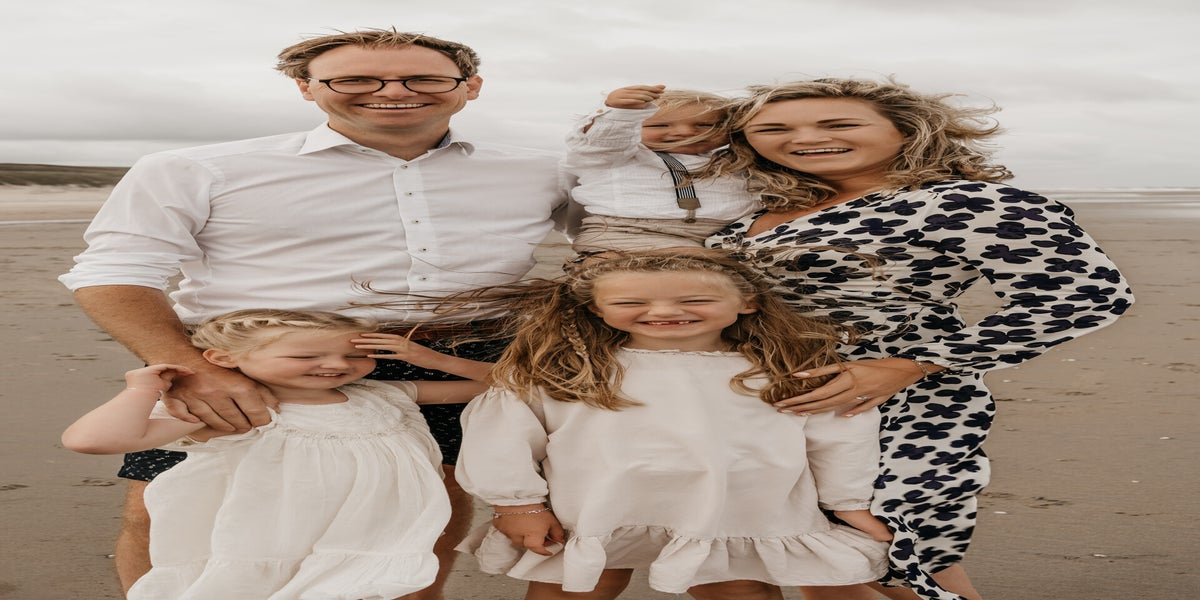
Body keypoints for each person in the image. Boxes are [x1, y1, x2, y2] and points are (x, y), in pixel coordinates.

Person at [57, 28, 571, 598]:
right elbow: (112, 273)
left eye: (422, 78)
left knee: (422, 511)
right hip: (255, 357)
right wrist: (191, 366)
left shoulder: (546, 172)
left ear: (469, 86)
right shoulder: (194, 168)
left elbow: (622, 246)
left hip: (461, 355)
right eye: (356, 79)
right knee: (171, 504)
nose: (393, 91)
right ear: (306, 86)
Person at [702, 78, 1135, 600]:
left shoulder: (961, 202)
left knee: (892, 555)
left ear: (908, 130)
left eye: (838, 124)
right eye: (774, 128)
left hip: (892, 402)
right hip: (756, 401)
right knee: (809, 556)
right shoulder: (751, 207)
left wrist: (910, 365)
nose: (805, 138)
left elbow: (1085, 294)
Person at [449, 249, 893, 600]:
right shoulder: (568, 369)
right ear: (596, 309)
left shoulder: (786, 369)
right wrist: (518, 505)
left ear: (747, 302)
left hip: (737, 510)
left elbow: (839, 438)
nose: (662, 311)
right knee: (578, 587)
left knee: (738, 588)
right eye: (630, 302)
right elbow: (503, 437)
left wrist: (846, 503)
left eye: (695, 300)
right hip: (598, 508)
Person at [62, 309, 490, 599]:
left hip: (362, 540)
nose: (336, 364)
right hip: (267, 542)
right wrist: (141, 390)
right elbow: (91, 440)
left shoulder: (384, 394)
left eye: (355, 355)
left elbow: (499, 383)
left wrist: (431, 360)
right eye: (306, 355)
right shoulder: (236, 412)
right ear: (223, 358)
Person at [563, 84, 758, 253]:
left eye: (705, 124)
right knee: (688, 266)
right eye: (660, 125)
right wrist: (621, 113)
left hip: (724, 233)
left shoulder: (735, 160)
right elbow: (602, 141)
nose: (685, 132)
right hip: (631, 231)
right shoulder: (616, 156)